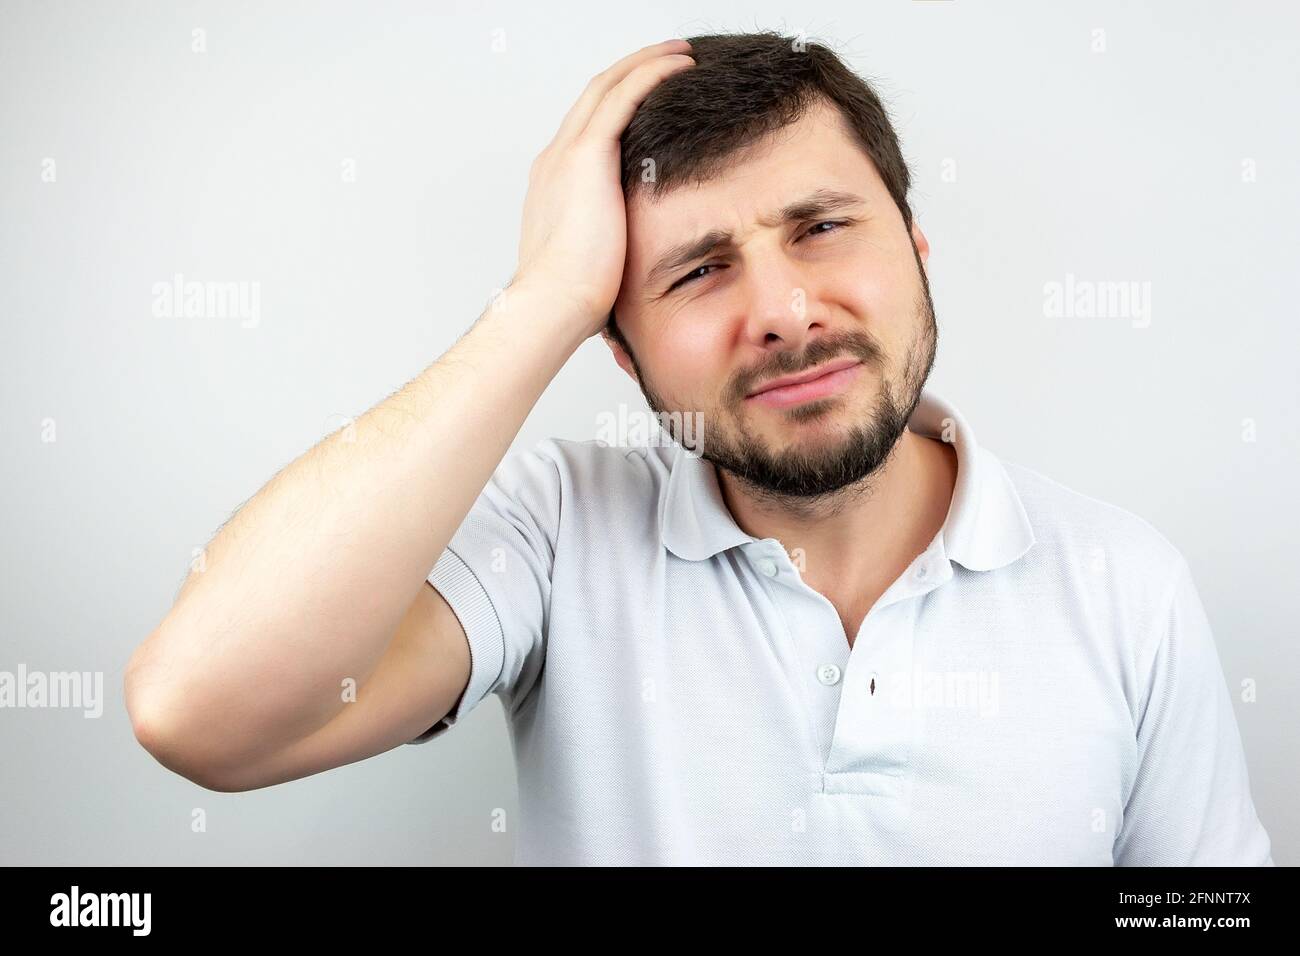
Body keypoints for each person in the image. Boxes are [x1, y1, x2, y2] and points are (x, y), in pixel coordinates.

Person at [125, 32, 1273, 866]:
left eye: (820, 226)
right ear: (619, 352)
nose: (781, 309)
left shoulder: (1125, 583)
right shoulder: (558, 530)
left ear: (918, 247)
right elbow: (198, 710)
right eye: (697, 269)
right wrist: (540, 303)